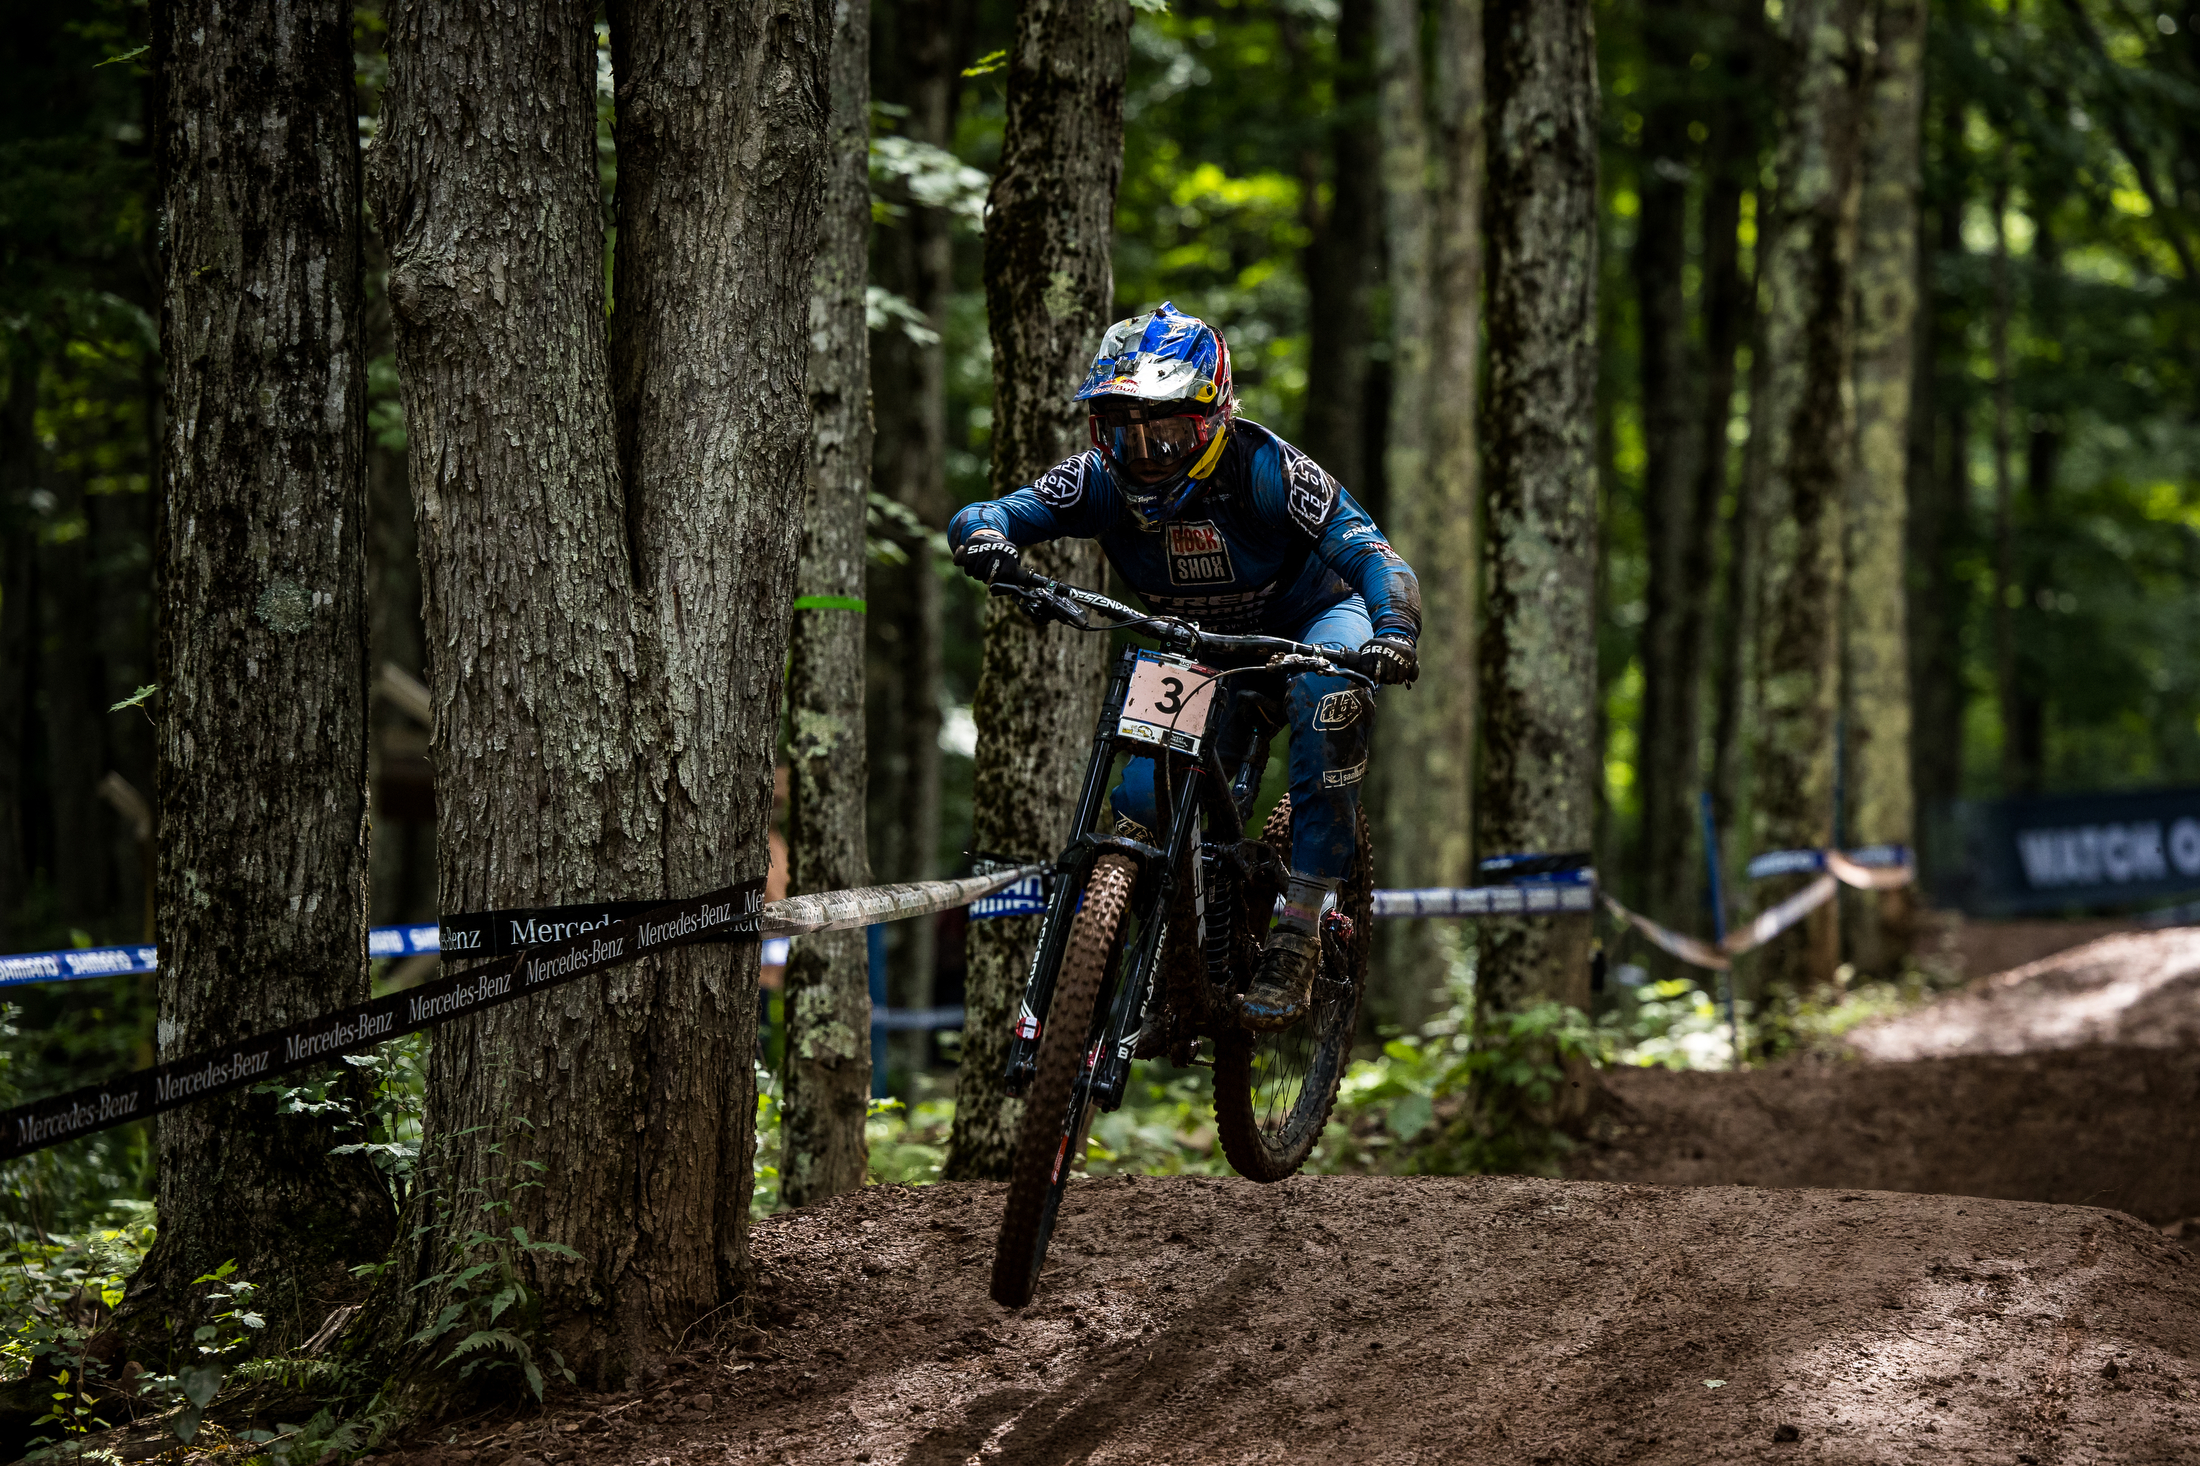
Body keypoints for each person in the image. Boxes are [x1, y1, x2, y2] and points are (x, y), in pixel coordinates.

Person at [948, 301, 1421, 1032]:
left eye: (1165, 429)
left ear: (1212, 417)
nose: (1145, 452)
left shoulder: (1269, 468)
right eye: (1122, 429)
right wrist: (986, 541)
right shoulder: (1098, 481)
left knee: (1330, 694)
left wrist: (1392, 631)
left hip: (1310, 622)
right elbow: (995, 511)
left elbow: (1374, 556)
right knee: (1142, 796)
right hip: (1198, 644)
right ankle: (1169, 949)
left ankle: (1298, 929)